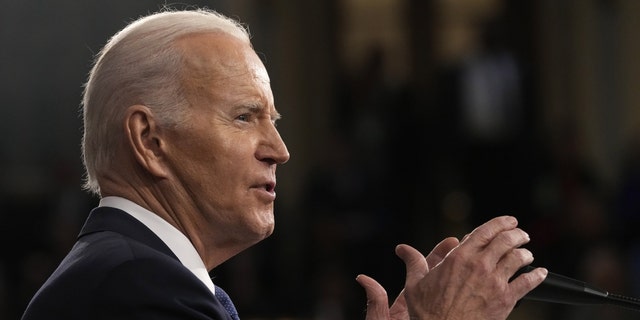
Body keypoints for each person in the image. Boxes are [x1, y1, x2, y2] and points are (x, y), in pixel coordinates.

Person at [21, 7, 547, 320]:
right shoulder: (137, 289)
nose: (280, 149)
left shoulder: (139, 274)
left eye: (274, 120)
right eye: (246, 117)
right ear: (150, 141)